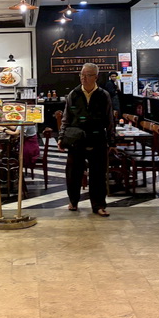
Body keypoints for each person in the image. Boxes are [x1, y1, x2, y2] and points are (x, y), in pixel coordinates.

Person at [58, 62, 116, 217]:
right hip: (76, 138)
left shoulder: (103, 95)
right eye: (82, 75)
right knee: (73, 173)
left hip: (98, 138)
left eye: (88, 75)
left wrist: (112, 141)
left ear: (96, 77)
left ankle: (98, 205)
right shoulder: (74, 94)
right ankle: (73, 201)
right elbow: (66, 118)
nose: (83, 78)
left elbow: (110, 119)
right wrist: (61, 137)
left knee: (98, 174)